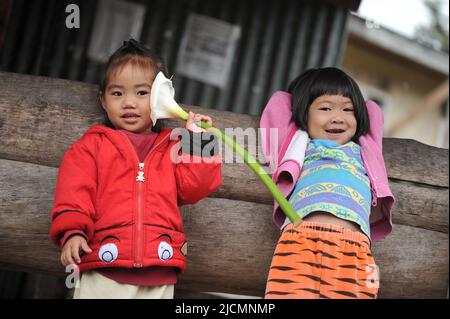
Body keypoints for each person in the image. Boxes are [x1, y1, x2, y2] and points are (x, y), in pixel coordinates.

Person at [49, 39, 222, 299]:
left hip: (161, 271)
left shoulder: (172, 147)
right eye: (117, 93)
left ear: (159, 99)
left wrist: (199, 141)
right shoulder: (90, 147)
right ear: (103, 100)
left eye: (142, 93)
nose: (129, 103)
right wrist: (72, 232)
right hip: (104, 268)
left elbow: (195, 189)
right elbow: (74, 194)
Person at [260, 67, 395, 299]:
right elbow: (279, 102)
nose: (337, 117)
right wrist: (302, 99)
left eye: (347, 109)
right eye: (325, 108)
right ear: (302, 113)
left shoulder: (365, 148)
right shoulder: (297, 144)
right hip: (300, 242)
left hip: (355, 250)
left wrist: (351, 107)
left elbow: (373, 110)